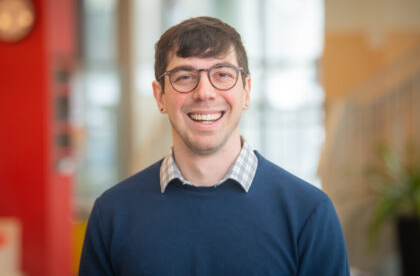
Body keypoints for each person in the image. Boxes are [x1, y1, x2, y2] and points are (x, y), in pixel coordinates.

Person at [79, 16, 350, 276]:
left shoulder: (308, 214)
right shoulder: (112, 214)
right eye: (184, 76)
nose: (204, 92)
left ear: (246, 91)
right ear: (160, 96)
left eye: (222, 74)